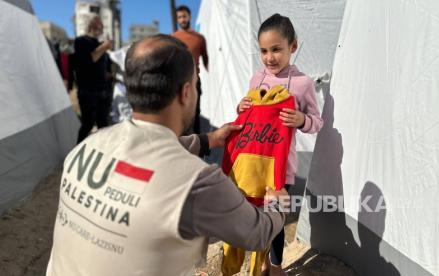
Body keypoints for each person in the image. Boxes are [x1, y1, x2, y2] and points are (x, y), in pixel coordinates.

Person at [46, 34, 288, 276]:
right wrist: (278, 203)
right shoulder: (198, 183)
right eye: (196, 83)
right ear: (185, 92)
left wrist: (209, 140)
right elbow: (258, 233)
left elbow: (150, 151)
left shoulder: (85, 147)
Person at [233, 14, 324, 276]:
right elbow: (247, 116)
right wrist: (241, 106)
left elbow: (318, 122)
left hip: (280, 170)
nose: (269, 57)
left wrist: (301, 119)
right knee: (253, 216)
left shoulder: (302, 83)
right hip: (253, 165)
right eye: (263, 51)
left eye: (276, 49)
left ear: (292, 47)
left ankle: (274, 267)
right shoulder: (256, 79)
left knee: (275, 219)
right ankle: (258, 260)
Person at [74, 15, 114, 143]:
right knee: (88, 124)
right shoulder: (81, 42)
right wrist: (104, 47)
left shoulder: (101, 45)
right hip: (87, 91)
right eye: (100, 25)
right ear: (91, 26)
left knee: (103, 125)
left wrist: (110, 75)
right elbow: (89, 60)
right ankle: (76, 153)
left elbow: (104, 69)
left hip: (103, 91)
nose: (102, 28)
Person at [172, 5, 209, 134]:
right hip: (178, 82)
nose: (182, 20)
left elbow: (206, 59)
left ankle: (197, 145)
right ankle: (180, 143)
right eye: (179, 17)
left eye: (184, 16)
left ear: (189, 17)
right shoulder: (173, 38)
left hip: (194, 81)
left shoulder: (199, 38)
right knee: (179, 112)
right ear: (177, 20)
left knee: (195, 113)